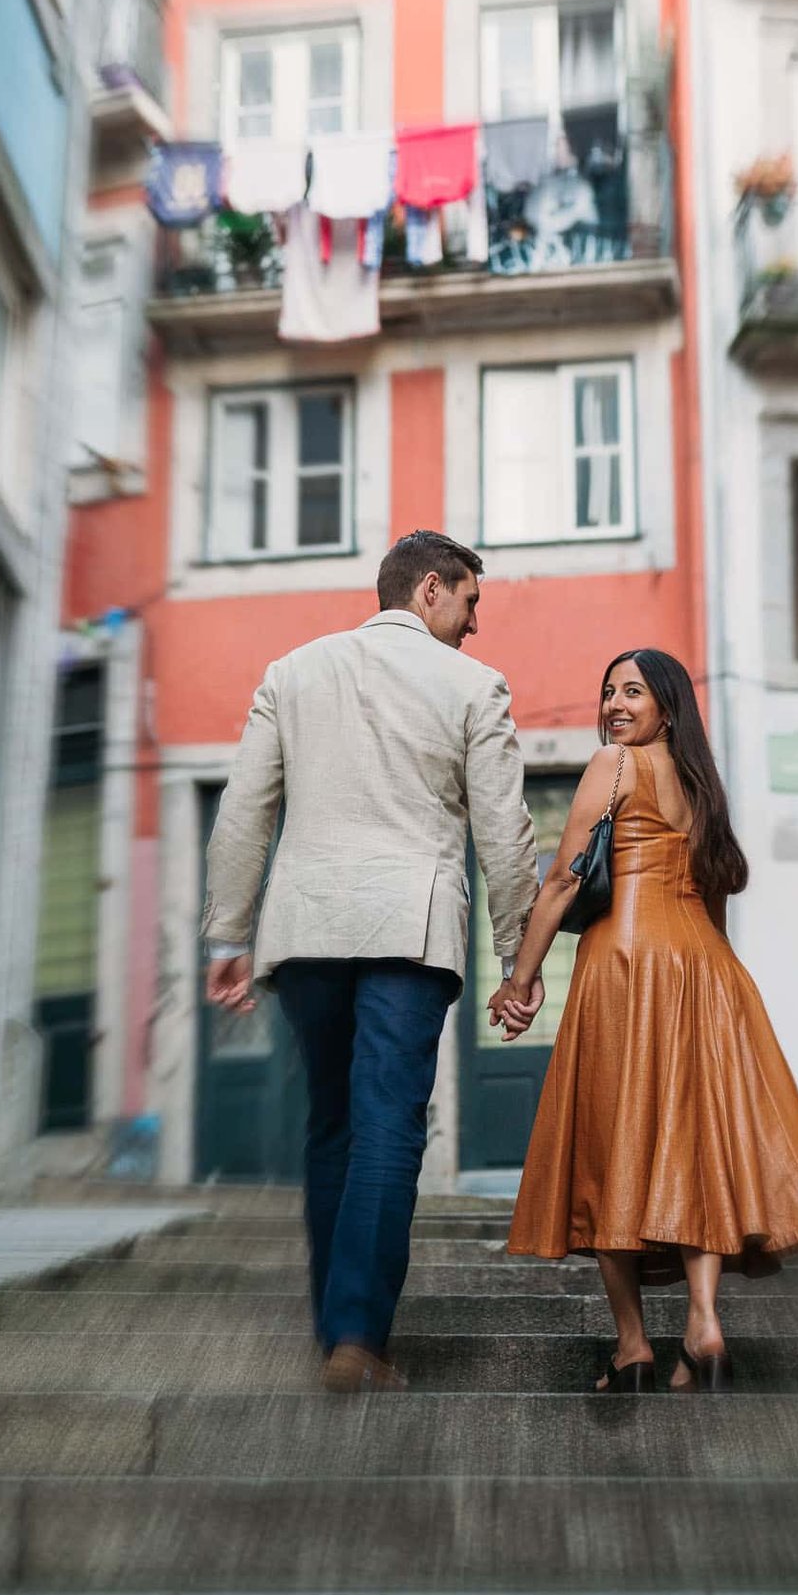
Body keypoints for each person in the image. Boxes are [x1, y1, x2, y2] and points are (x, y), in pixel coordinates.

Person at [203, 531, 541, 1393]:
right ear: (431, 589)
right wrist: (519, 958)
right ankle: (357, 1335)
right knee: (390, 1124)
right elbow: (505, 834)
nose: (473, 626)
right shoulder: (475, 687)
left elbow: (245, 808)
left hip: (307, 927)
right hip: (408, 927)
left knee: (333, 1126)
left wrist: (228, 936)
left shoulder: (293, 671)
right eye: (469, 603)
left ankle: (338, 1332)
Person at [498, 648, 798, 1393]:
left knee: (610, 1143)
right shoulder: (702, 787)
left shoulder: (613, 766)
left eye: (632, 691)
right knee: (695, 1145)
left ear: (666, 704)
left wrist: (521, 976)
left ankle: (632, 1346)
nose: (615, 705)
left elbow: (563, 878)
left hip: (626, 967)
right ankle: (703, 1323)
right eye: (607, 692)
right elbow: (715, 904)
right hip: (706, 971)